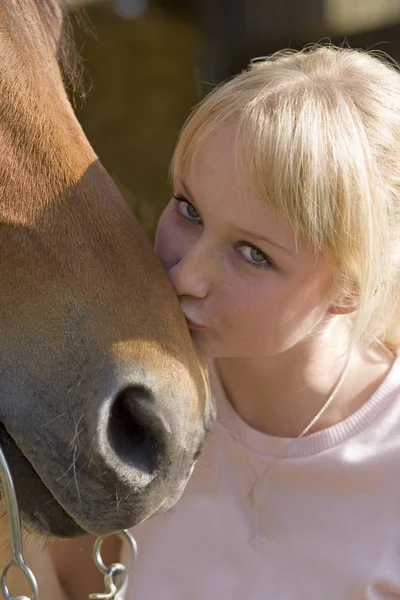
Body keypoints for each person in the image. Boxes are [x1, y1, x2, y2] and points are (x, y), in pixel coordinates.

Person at [51, 44, 400, 599]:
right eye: (189, 209)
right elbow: (63, 588)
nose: (186, 274)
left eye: (253, 253)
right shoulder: (123, 405)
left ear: (351, 289)